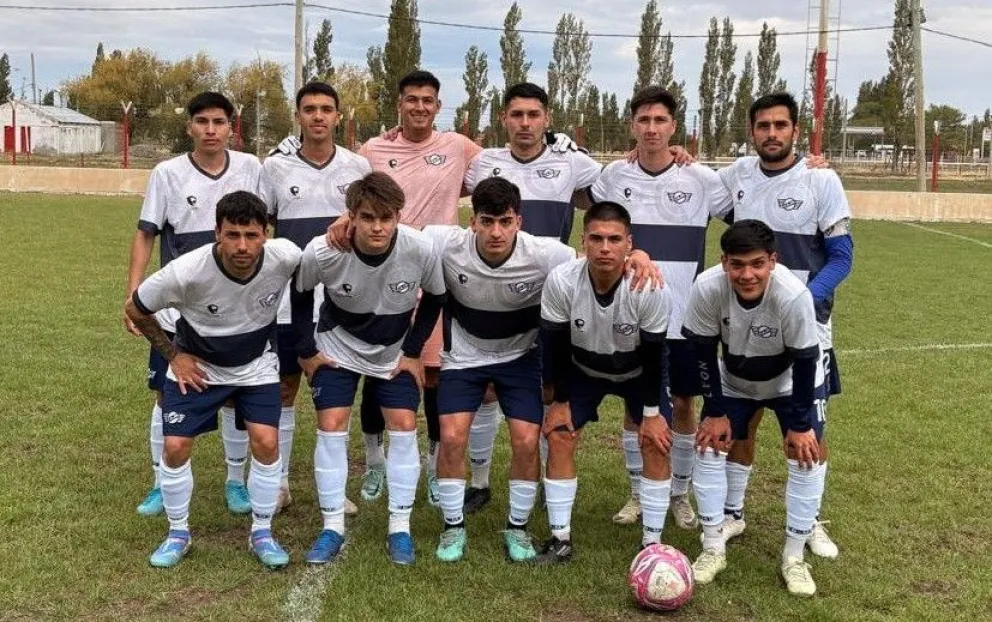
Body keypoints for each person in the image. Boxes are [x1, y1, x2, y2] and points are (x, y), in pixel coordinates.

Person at [124, 191, 302, 569]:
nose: (242, 245)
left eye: (251, 235)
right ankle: (177, 533)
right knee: (175, 447)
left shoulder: (285, 256)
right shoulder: (186, 271)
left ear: (265, 234)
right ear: (216, 233)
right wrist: (175, 355)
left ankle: (262, 532)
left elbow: (323, 260)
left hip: (255, 366)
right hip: (199, 365)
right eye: (232, 234)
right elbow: (135, 309)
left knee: (267, 441)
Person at [586, 86, 733, 530]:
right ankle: (637, 492)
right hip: (631, 316)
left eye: (660, 121)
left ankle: (679, 494)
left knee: (684, 402)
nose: (651, 128)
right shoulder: (613, 175)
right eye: (644, 120)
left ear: (674, 127)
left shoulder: (702, 179)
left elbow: (748, 205)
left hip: (687, 317)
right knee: (637, 406)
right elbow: (597, 226)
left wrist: (810, 164)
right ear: (632, 125)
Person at [714, 92, 853, 557]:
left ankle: (809, 520)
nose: (771, 134)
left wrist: (798, 302)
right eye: (763, 126)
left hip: (807, 327)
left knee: (809, 429)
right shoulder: (736, 177)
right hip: (742, 324)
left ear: (796, 129)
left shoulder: (822, 179)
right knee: (741, 422)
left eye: (780, 125)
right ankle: (732, 514)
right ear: (751, 131)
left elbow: (842, 257)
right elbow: (692, 189)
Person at [458, 82, 603, 513]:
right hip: (492, 287)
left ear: (547, 118)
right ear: (503, 118)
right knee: (485, 387)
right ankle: (480, 482)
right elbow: (442, 180)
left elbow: (620, 183)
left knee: (546, 386)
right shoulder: (484, 163)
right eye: (516, 114)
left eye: (533, 114)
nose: (525, 123)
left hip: (551, 292)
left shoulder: (571, 162)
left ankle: (540, 478)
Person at [293, 171, 446, 566]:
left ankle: (400, 527)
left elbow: (435, 298)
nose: (377, 226)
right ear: (351, 217)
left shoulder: (420, 249)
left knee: (403, 423)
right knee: (331, 423)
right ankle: (331, 526)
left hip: (393, 351)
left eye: (386, 217)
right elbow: (299, 290)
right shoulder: (324, 250)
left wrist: (413, 351)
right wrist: (307, 350)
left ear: (399, 216)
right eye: (367, 217)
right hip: (337, 347)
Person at [427, 177, 577, 563]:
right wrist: (346, 220)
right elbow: (395, 234)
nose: (496, 232)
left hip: (520, 358)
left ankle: (518, 528)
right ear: (472, 220)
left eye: (505, 222)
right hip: (465, 355)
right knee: (452, 435)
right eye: (487, 221)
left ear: (519, 222)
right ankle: (452, 527)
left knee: (527, 440)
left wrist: (639, 258)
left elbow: (593, 267)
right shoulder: (445, 243)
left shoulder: (548, 255)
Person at [126, 92, 261, 518]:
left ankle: (235, 482)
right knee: (165, 395)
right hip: (176, 309)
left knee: (236, 396)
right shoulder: (167, 174)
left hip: (236, 307)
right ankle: (158, 482)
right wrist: (134, 293)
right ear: (189, 127)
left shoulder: (250, 168)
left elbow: (263, 230)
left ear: (231, 127)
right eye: (201, 121)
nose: (210, 129)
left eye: (218, 122)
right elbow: (146, 232)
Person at [682, 219, 827, 596]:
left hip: (791, 379)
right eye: (737, 265)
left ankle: (794, 557)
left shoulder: (794, 295)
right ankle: (713, 546)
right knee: (710, 447)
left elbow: (807, 360)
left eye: (757, 264)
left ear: (773, 261)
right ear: (724, 261)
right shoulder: (707, 286)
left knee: (804, 454)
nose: (747, 274)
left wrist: (798, 423)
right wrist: (714, 411)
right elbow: (701, 351)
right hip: (734, 379)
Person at [538, 201, 674, 563]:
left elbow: (654, 354)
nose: (604, 247)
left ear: (629, 243)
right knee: (560, 433)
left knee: (655, 442)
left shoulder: (649, 287)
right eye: (596, 238)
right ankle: (560, 538)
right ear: (583, 241)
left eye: (614, 239)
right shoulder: (562, 280)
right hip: (583, 370)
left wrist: (651, 413)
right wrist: (561, 400)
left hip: (638, 372)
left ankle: (652, 545)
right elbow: (555, 345)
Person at [259, 81, 372, 514]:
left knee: (334, 398)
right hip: (290, 299)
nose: (319, 117)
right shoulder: (275, 168)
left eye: (327, 109)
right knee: (285, 388)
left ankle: (333, 490)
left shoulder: (358, 166)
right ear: (298, 116)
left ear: (339, 116)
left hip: (343, 300)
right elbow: (263, 227)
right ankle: (281, 482)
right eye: (310, 109)